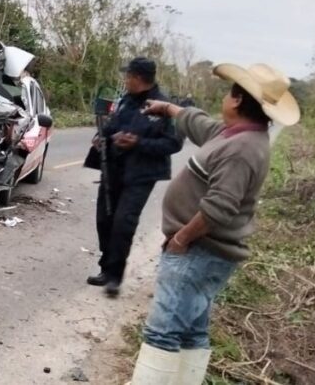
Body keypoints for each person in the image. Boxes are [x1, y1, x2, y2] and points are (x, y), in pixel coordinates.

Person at [128, 63, 300, 385]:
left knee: (163, 331)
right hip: (204, 254)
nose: (223, 98)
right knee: (191, 332)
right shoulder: (235, 135)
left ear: (236, 100)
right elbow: (200, 124)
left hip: (198, 252)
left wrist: (181, 239)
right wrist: (168, 108)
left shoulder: (242, 149)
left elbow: (220, 208)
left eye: (226, 93)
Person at [84, 57, 183, 297]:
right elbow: (111, 127)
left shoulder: (163, 106)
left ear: (138, 78)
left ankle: (114, 277)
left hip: (141, 174)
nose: (125, 80)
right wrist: (103, 137)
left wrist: (138, 143)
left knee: (123, 223)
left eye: (127, 76)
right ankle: (106, 268)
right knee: (104, 219)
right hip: (113, 169)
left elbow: (174, 143)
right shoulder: (125, 101)